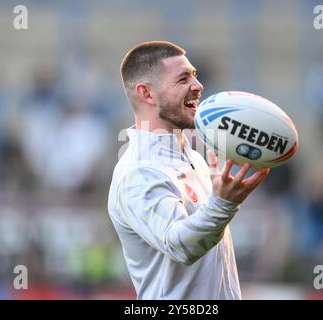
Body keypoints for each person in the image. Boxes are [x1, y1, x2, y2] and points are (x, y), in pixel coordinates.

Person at [108, 41, 270, 299]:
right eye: (183, 79)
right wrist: (223, 205)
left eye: (194, 75)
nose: (198, 86)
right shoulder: (138, 173)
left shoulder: (192, 156)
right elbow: (180, 245)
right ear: (147, 94)